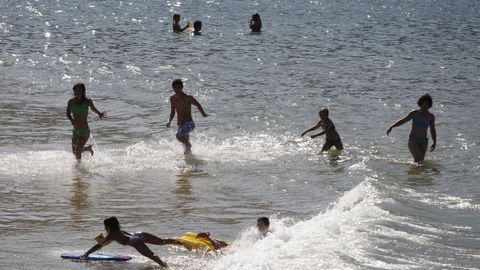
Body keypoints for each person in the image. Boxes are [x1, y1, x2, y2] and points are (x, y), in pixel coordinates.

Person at [81, 217, 186, 268]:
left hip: (135, 241)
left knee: (152, 256)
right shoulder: (119, 230)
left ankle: (166, 267)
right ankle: (183, 243)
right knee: (163, 241)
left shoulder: (110, 235)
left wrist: (86, 254)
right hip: (138, 234)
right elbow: (125, 235)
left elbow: (98, 245)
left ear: (107, 226)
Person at [387, 94, 436, 163]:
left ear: (429, 105)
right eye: (424, 103)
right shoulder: (414, 113)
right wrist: (392, 126)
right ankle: (414, 173)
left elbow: (433, 130)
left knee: (421, 162)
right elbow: (404, 120)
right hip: (413, 141)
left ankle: (416, 173)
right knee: (418, 160)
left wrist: (434, 142)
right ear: (420, 103)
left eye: (427, 104)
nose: (425, 105)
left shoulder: (431, 116)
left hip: (424, 142)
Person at [166, 79, 208, 154]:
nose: (176, 90)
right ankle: (190, 158)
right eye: (175, 88)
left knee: (178, 136)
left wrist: (203, 113)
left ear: (182, 87)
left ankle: (189, 145)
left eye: (178, 87)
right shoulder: (172, 99)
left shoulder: (188, 97)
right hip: (180, 125)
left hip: (189, 123)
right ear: (173, 88)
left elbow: (198, 104)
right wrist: (169, 121)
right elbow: (173, 111)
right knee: (185, 147)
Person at [66, 83, 105, 160]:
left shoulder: (87, 101)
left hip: (84, 130)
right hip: (75, 130)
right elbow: (67, 114)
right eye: (76, 90)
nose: (77, 92)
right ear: (74, 92)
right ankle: (87, 148)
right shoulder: (70, 102)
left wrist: (99, 113)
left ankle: (79, 169)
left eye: (79, 90)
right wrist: (71, 120)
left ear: (83, 91)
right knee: (75, 152)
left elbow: (93, 108)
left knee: (77, 151)